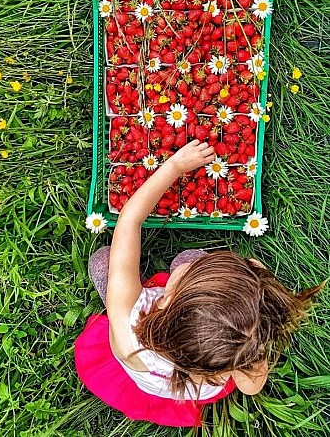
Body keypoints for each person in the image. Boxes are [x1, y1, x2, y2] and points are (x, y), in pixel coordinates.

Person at [74, 140, 324, 427]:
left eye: (195, 271)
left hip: (131, 370)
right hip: (185, 381)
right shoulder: (237, 354)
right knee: (188, 256)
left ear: (166, 301)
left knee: (104, 261)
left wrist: (174, 167)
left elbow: (129, 219)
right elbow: (251, 386)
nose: (255, 264)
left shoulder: (124, 320)